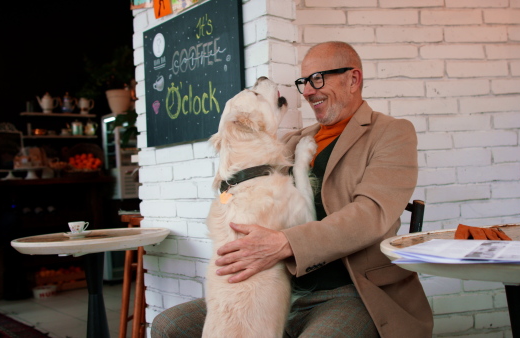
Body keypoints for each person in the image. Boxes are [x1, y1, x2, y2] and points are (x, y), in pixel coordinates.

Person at [151, 41, 433, 337]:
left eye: (318, 79)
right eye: (304, 82)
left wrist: (285, 243)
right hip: (279, 286)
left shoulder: (391, 133)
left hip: (349, 290)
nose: (308, 91)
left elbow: (371, 215)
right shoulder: (293, 141)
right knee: (169, 326)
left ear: (353, 79)